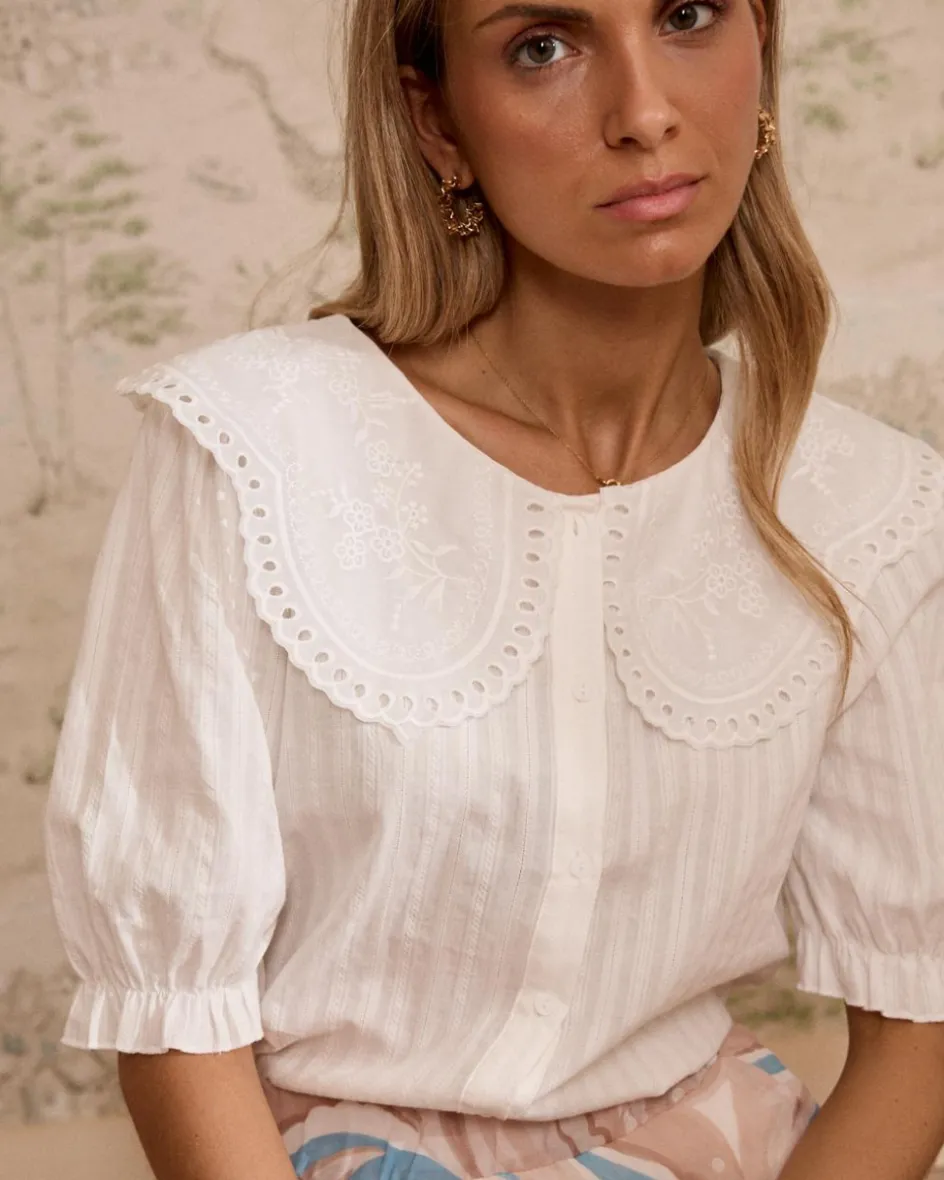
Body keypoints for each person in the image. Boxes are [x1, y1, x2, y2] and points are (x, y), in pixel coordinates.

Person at [43, 0, 944, 1177]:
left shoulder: (873, 509)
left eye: (685, 14)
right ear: (436, 119)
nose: (643, 113)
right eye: (541, 47)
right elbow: (177, 1021)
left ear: (760, 46)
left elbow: (919, 1025)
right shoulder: (248, 449)